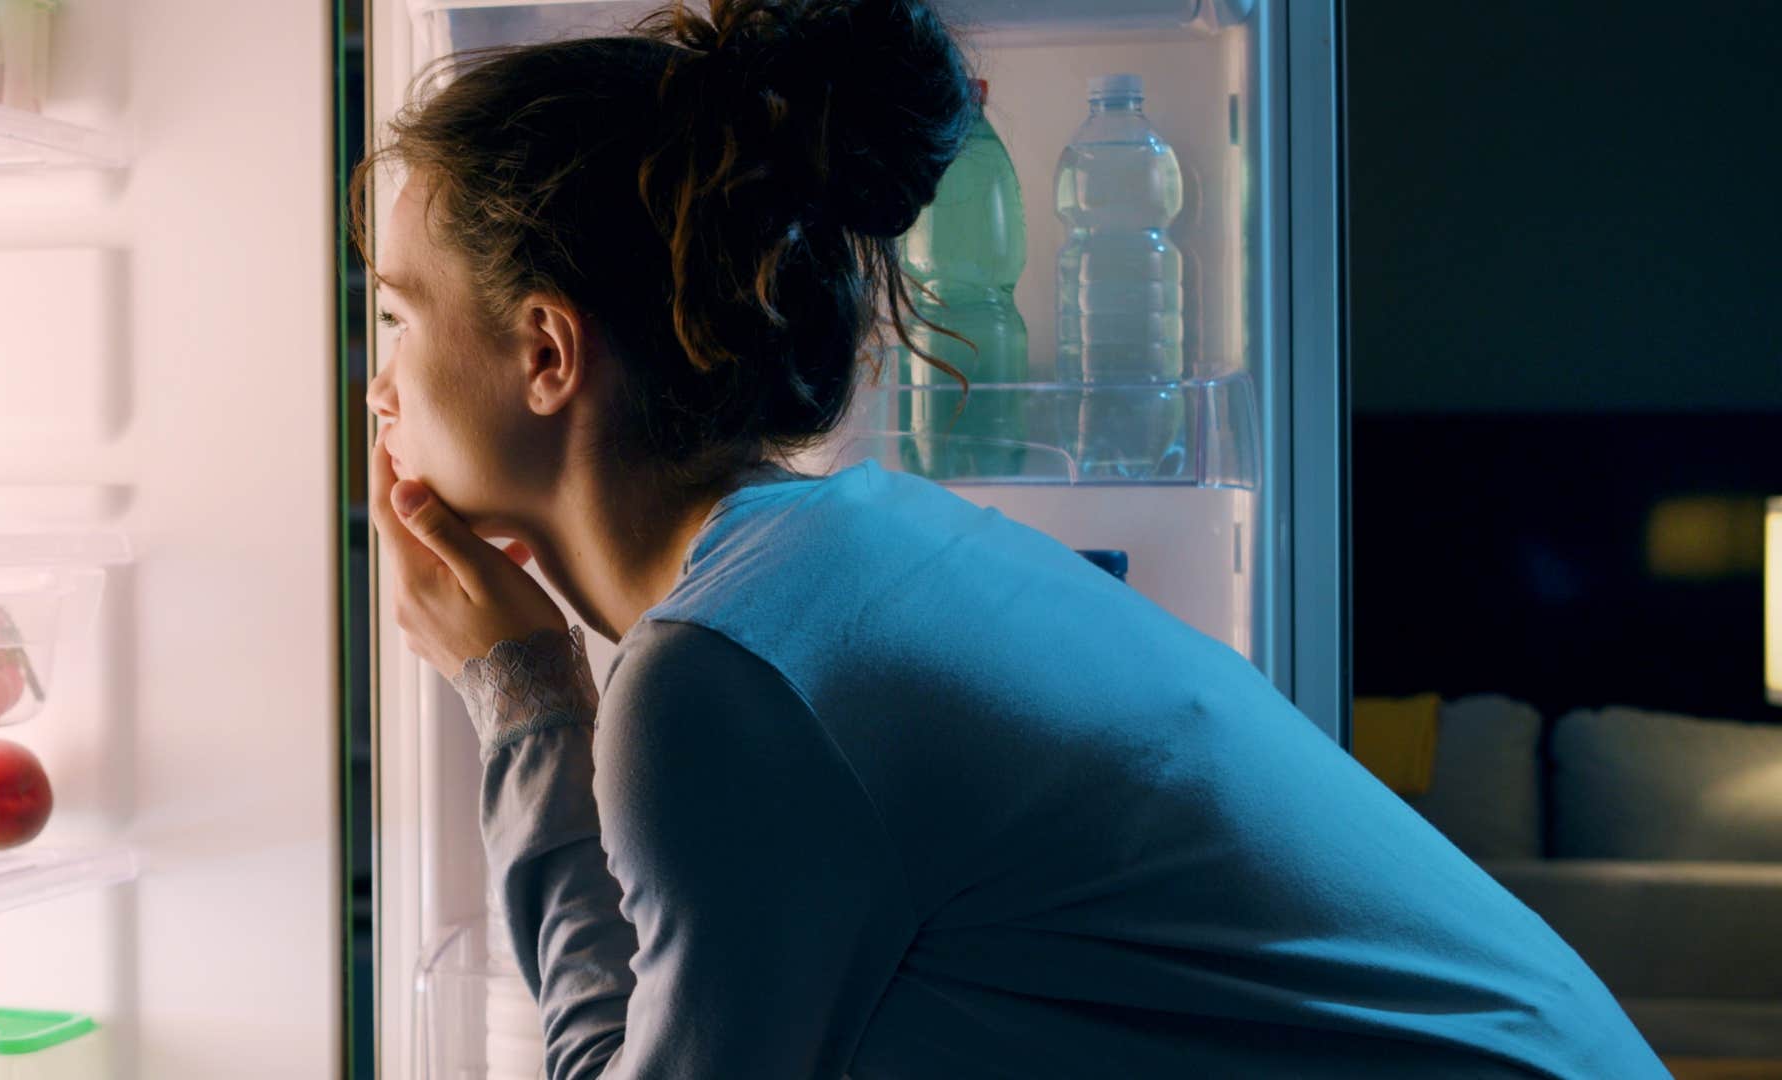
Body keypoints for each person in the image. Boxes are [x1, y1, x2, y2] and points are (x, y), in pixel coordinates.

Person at [356, 0, 1668, 1075]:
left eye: (402, 317)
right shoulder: (867, 539)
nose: (380, 385)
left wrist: (522, 694)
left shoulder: (716, 684)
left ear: (545, 350)